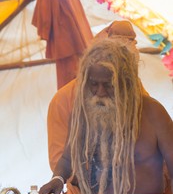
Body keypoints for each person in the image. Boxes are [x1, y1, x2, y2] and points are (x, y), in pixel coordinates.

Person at [26, 38, 173, 194]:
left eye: (108, 84)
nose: (100, 92)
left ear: (126, 82)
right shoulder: (83, 113)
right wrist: (58, 179)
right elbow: (68, 158)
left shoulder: (153, 112)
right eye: (93, 84)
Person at [47, 20, 148, 172]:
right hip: (85, 193)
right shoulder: (63, 101)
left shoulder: (137, 93)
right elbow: (60, 162)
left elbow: (158, 154)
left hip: (139, 190)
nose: (103, 91)